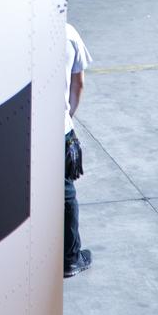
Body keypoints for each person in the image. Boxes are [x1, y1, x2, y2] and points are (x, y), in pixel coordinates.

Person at [64, 22, 93, 278]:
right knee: (65, 192)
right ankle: (70, 257)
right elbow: (78, 85)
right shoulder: (70, 34)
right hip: (58, 128)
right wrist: (68, 116)